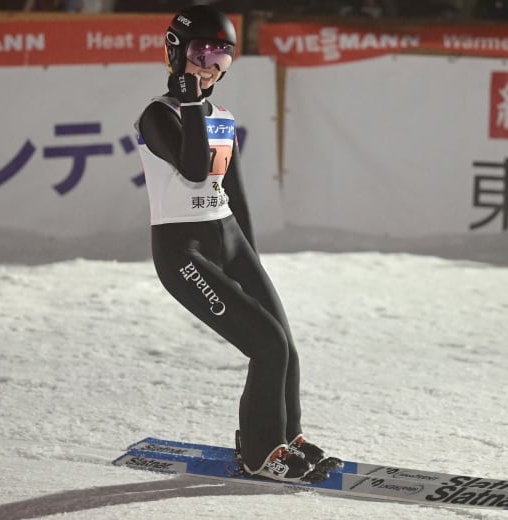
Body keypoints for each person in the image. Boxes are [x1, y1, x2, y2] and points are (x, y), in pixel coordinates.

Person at [133, 4, 337, 483]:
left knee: (283, 341)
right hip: (184, 253)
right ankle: (260, 454)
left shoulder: (221, 115)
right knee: (265, 346)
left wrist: (253, 267)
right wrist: (187, 103)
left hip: (229, 242)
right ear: (176, 52)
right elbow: (195, 168)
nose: (210, 64)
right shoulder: (157, 115)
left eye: (221, 54)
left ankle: (289, 437)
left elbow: (235, 196)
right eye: (201, 51)